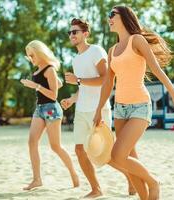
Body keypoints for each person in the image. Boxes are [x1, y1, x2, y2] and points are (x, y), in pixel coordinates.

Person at [93, 6, 174, 200]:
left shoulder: (137, 40)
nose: (109, 18)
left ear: (125, 17)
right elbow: (107, 83)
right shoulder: (112, 50)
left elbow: (155, 68)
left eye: (113, 14)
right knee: (129, 158)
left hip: (140, 106)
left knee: (118, 155)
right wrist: (98, 110)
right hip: (120, 109)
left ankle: (153, 182)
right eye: (108, 15)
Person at [60, 18, 138, 198]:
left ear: (85, 34)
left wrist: (78, 80)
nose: (71, 35)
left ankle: (131, 176)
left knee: (108, 154)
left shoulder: (96, 51)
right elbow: (83, 87)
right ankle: (96, 189)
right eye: (70, 32)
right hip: (81, 111)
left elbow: (106, 79)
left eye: (75, 32)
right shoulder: (76, 59)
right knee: (80, 150)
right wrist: (72, 99)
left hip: (99, 110)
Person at [20, 40, 79, 190]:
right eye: (29, 56)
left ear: (39, 52)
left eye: (32, 55)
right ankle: (36, 179)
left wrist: (36, 86)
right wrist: (50, 83)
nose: (31, 58)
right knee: (32, 142)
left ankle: (73, 173)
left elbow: (53, 96)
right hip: (39, 109)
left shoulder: (50, 69)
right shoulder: (39, 70)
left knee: (55, 146)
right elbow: (57, 84)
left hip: (51, 108)